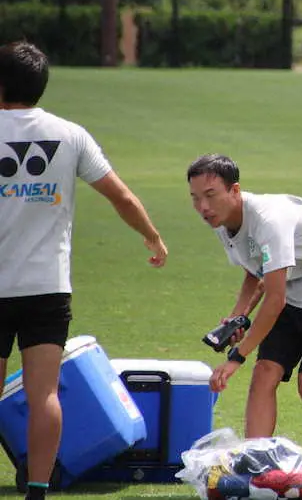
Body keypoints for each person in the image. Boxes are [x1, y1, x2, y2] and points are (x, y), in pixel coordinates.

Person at [0, 41, 168, 500]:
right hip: (47, 287)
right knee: (44, 394)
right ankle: (38, 489)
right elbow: (121, 197)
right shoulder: (70, 134)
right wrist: (151, 235)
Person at [186, 154, 302, 471]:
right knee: (265, 372)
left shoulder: (268, 221)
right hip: (292, 287)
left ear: (235, 190)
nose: (203, 207)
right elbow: (254, 269)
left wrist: (237, 356)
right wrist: (238, 315)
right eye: (195, 198)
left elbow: (275, 299)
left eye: (210, 195)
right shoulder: (223, 222)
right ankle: (256, 465)